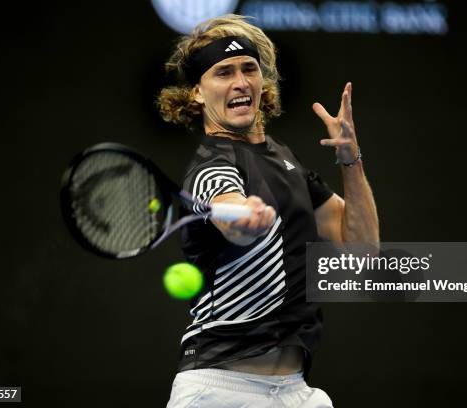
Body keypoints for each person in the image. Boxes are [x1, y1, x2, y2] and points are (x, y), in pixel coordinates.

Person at [157, 14, 379, 408]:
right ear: (195, 92)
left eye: (248, 69)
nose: (240, 82)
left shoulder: (285, 162)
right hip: (219, 389)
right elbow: (228, 208)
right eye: (223, 72)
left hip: (296, 392)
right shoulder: (211, 164)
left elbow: (362, 250)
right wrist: (244, 218)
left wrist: (351, 159)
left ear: (263, 81)